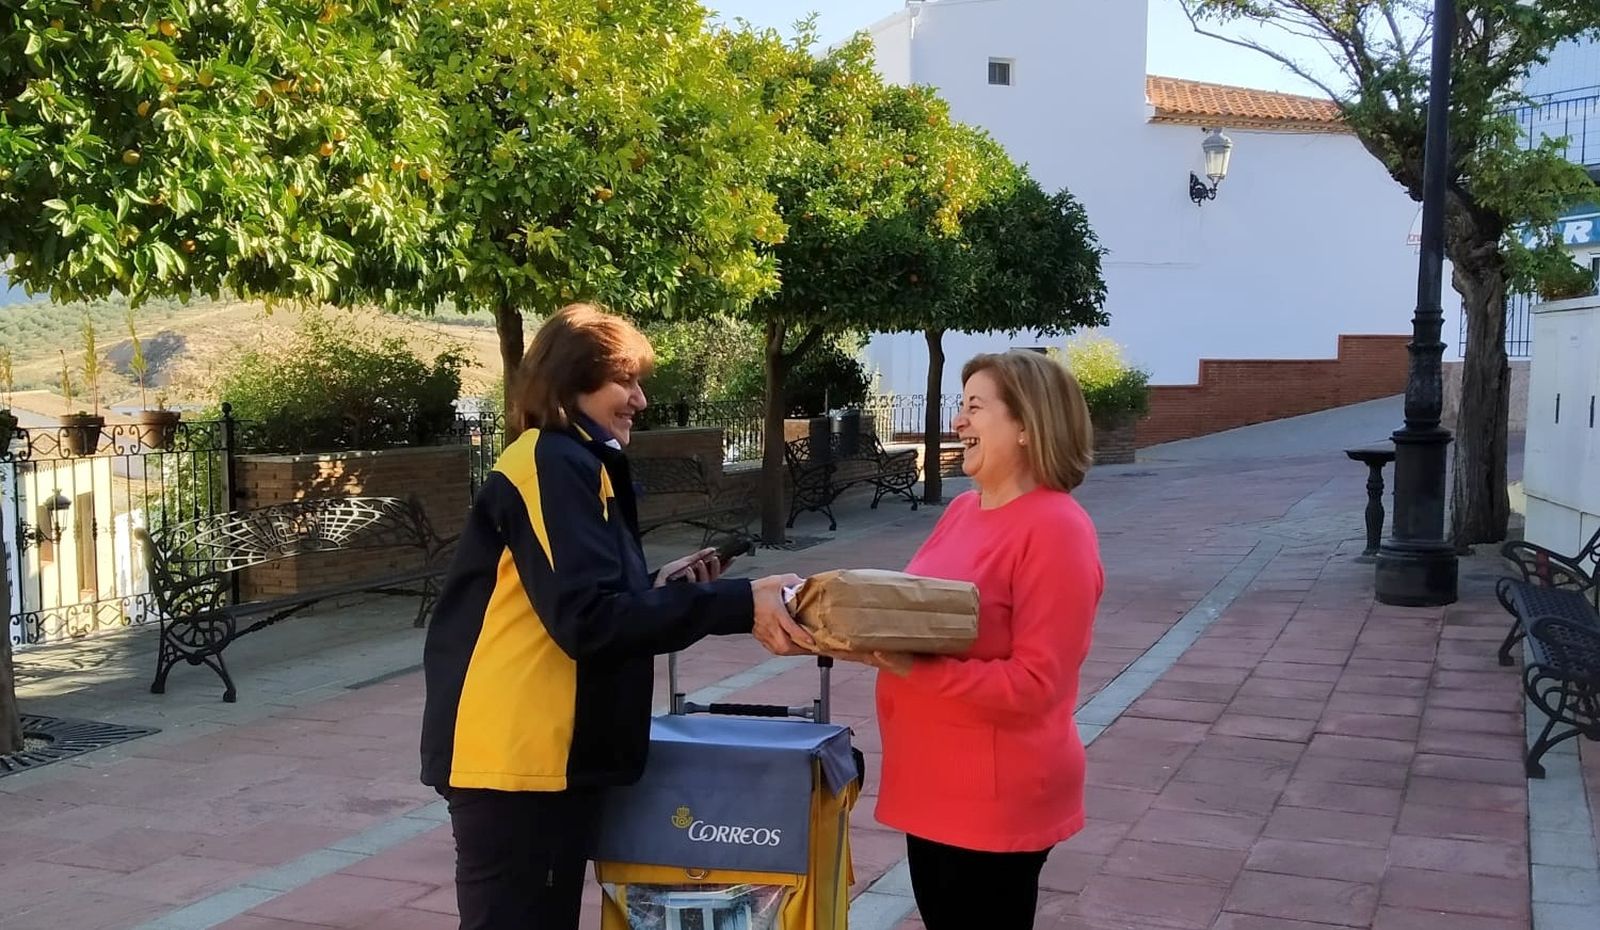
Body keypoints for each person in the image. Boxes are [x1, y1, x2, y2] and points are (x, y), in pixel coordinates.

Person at [419, 303, 813, 930]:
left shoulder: (575, 461)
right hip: (520, 763)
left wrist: (655, 587)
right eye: (623, 381)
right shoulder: (550, 463)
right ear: (571, 383)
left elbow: (571, 598)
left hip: (543, 759)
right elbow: (588, 620)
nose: (641, 399)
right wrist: (738, 603)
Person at [833, 349, 1104, 930]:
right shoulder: (962, 510)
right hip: (935, 784)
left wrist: (908, 666)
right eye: (961, 405)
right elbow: (922, 619)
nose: (959, 420)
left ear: (1028, 426)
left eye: (975, 407)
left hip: (994, 798)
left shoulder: (1056, 529)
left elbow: (1037, 684)